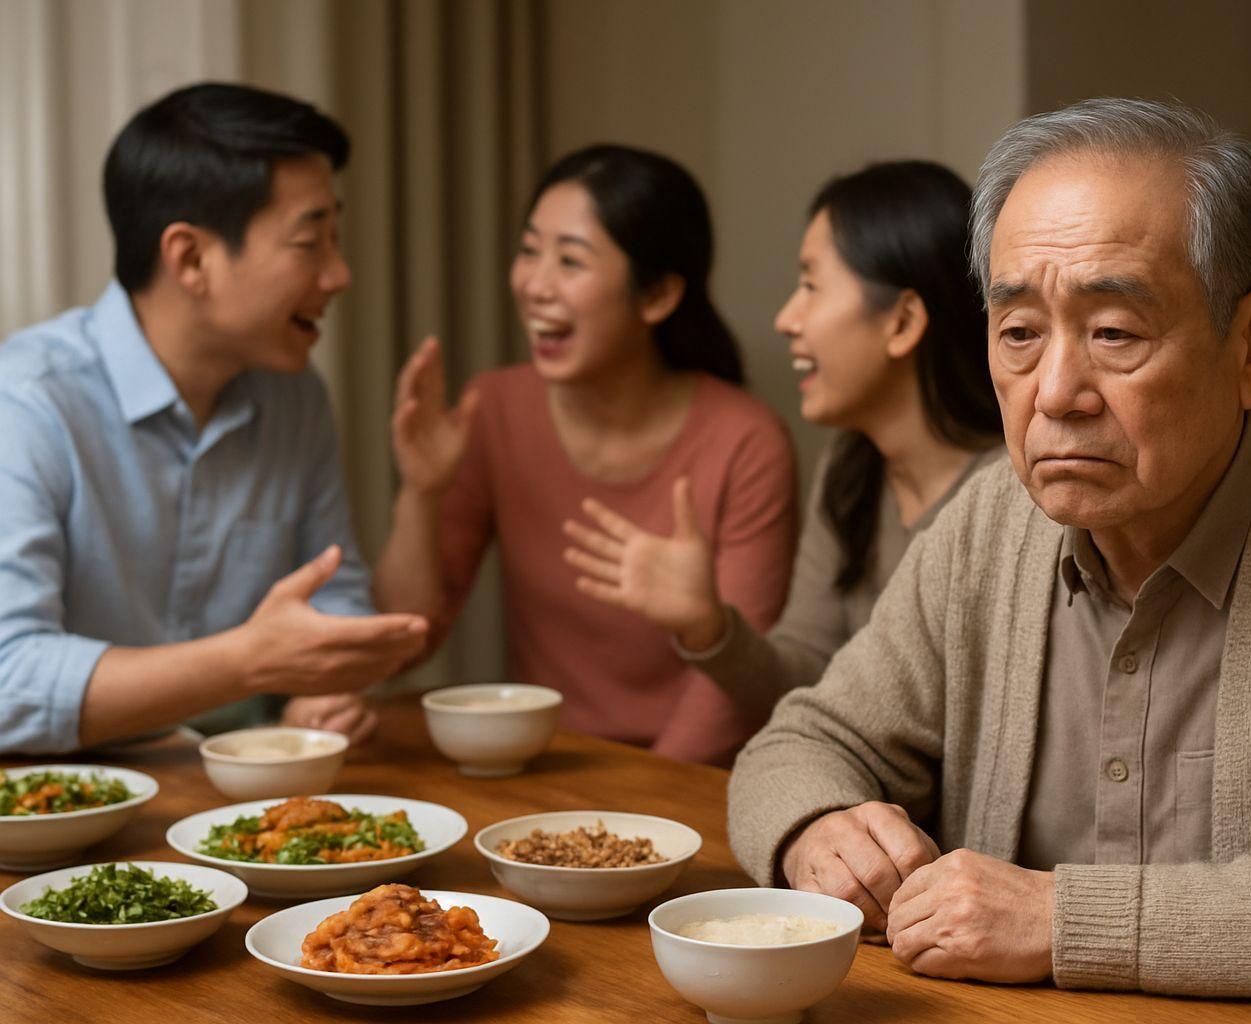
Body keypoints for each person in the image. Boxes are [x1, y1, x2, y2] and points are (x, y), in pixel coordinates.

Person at [727, 98, 1251, 1023]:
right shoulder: (989, 522)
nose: (1056, 394)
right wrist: (817, 830)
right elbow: (797, 746)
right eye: (1018, 333)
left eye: (1114, 333)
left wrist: (1062, 920)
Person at [0, 82, 428, 754]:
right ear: (191, 258)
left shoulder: (294, 397)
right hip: (57, 819)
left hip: (240, 799)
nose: (339, 275)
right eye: (309, 242)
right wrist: (249, 662)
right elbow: (8, 679)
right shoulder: (29, 402)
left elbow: (334, 596)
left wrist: (327, 690)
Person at [374, 144, 797, 766]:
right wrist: (421, 490)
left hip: (687, 785)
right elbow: (403, 639)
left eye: (570, 260)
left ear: (656, 296)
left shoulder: (745, 441)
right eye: (527, 251)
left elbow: (733, 689)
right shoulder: (493, 409)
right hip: (540, 768)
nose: (534, 285)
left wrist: (638, 811)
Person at [561, 161, 1002, 721]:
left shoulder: (1011, 495)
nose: (786, 319)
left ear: (902, 322)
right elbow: (807, 685)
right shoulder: (853, 465)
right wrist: (708, 625)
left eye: (811, 286)